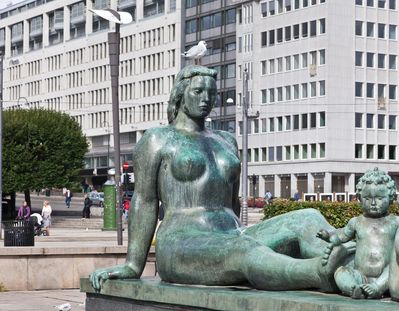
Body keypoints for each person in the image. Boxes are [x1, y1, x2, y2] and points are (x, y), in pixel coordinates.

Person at [90, 65, 347, 292]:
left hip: (232, 232)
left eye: (212, 94)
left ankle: (353, 264)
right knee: (241, 251)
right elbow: (144, 201)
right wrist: (134, 265)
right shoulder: (157, 139)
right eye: (198, 92)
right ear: (180, 94)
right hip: (183, 242)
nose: (206, 100)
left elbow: (232, 201)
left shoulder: (226, 140)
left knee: (307, 217)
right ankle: (318, 272)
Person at [317, 168, 399, 299]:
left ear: (391, 197)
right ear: (360, 198)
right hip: (361, 277)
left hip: (387, 277)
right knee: (341, 272)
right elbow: (341, 236)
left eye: (379, 198)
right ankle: (354, 288)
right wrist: (328, 236)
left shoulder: (397, 222)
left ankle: (377, 289)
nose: (373, 203)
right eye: (367, 198)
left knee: (396, 265)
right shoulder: (356, 222)